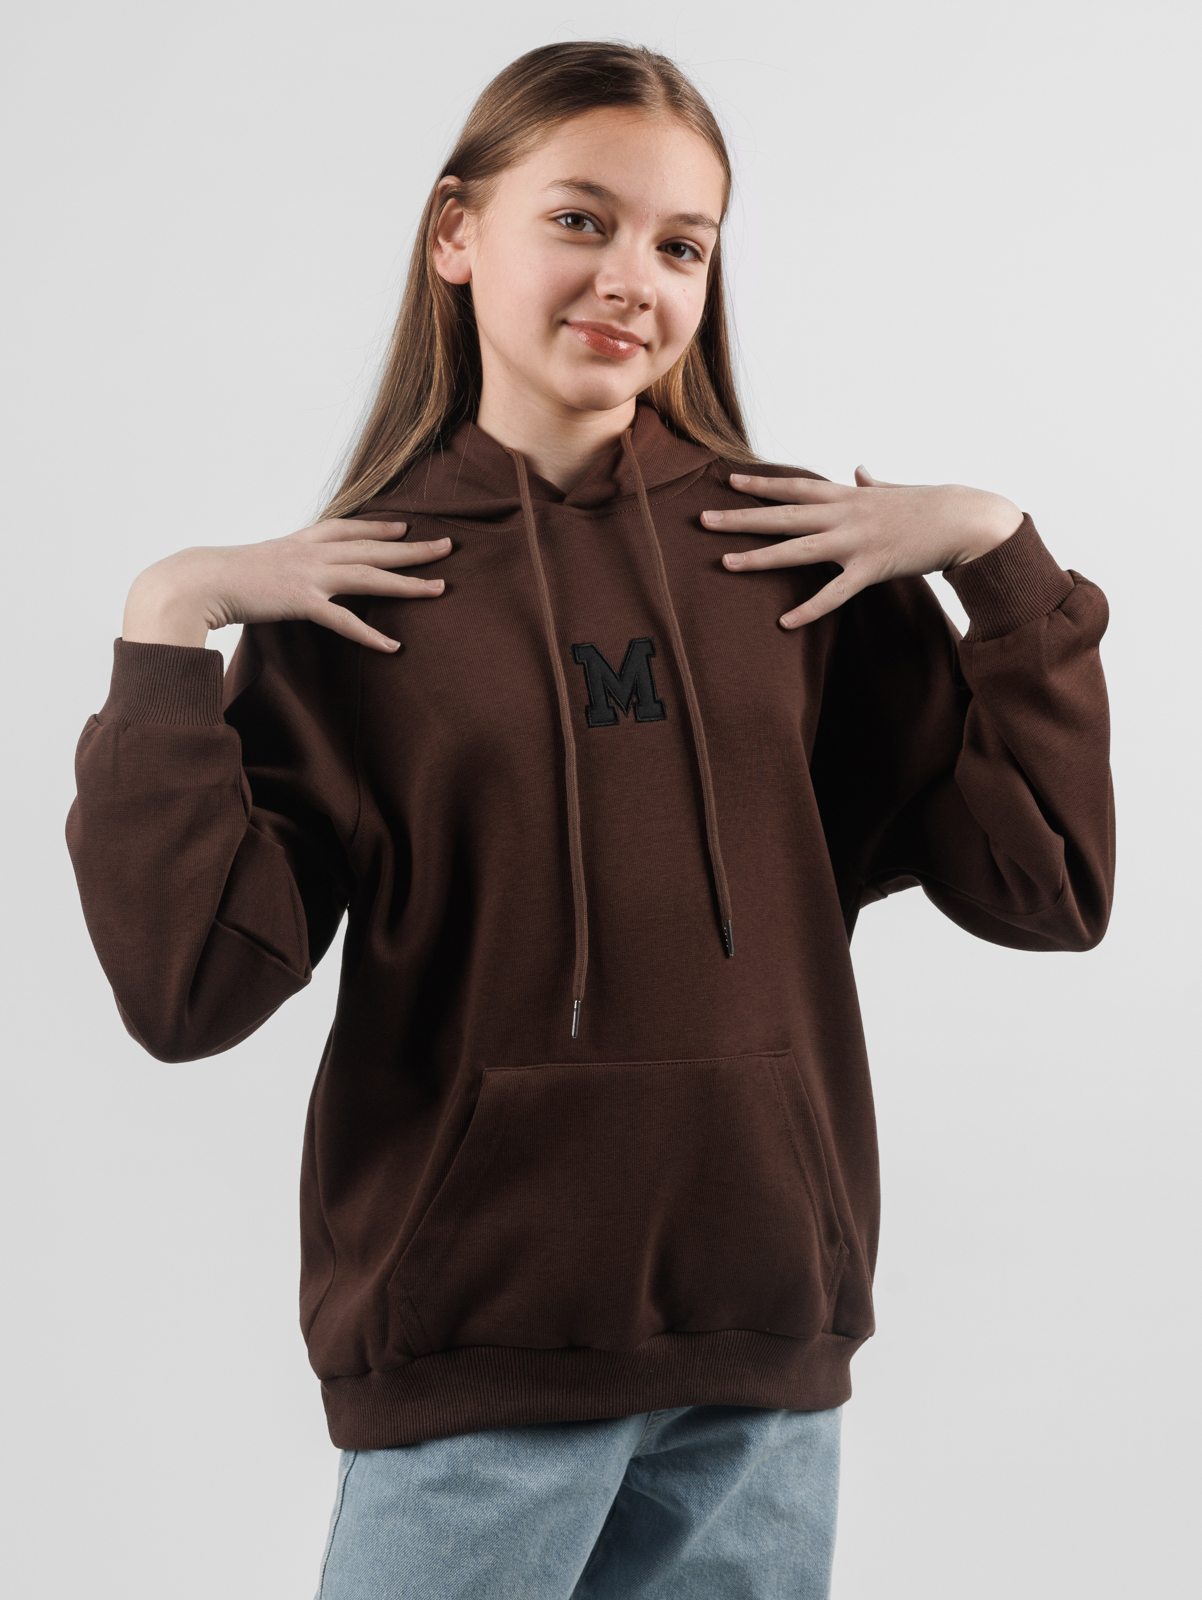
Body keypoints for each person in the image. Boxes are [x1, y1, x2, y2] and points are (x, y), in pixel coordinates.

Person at [65, 39, 1115, 1600]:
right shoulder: (356, 596)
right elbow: (187, 992)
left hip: (760, 1362)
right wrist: (169, 622)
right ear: (456, 232)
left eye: (681, 245)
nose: (634, 277)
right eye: (581, 219)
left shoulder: (794, 560)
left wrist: (997, 555)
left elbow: (1049, 887)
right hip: (473, 1366)